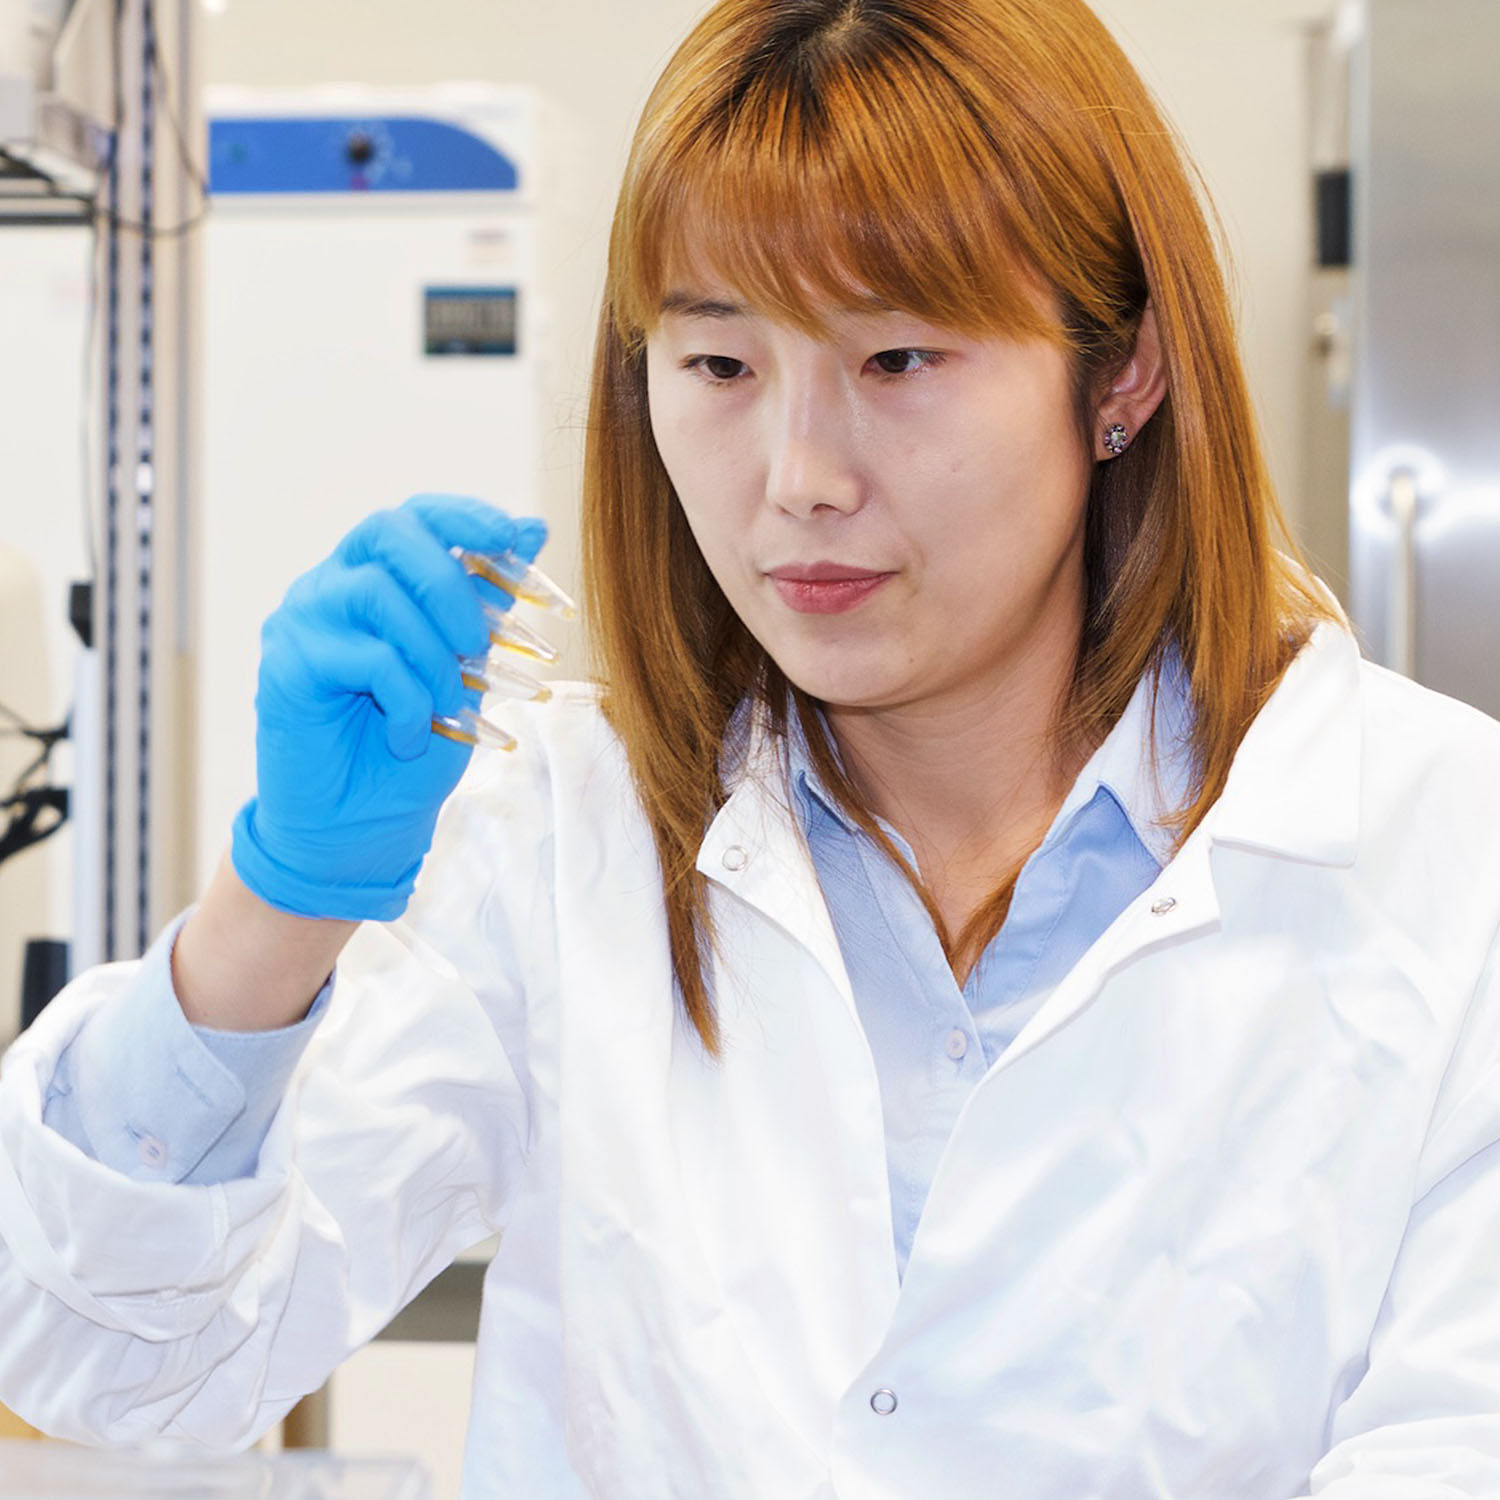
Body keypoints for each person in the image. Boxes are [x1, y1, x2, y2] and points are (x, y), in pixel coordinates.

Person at [3, 0, 1500, 1495]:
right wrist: (279, 905)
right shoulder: (560, 832)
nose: (798, 479)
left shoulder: (1445, 858)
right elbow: (123, 1371)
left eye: (899, 358)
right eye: (719, 367)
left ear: (1122, 377)